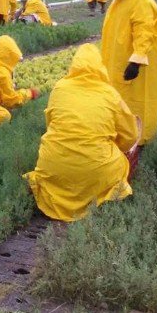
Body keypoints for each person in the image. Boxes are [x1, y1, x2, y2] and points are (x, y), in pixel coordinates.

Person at [23, 44, 139, 222]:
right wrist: (113, 146)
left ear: (74, 64)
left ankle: (58, 199)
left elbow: (51, 124)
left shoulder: (60, 88)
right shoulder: (110, 93)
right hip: (95, 170)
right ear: (100, 66)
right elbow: (130, 136)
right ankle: (100, 200)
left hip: (55, 167)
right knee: (121, 163)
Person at [97, 0, 157, 146]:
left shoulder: (141, 0)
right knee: (120, 102)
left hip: (133, 68)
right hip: (118, 62)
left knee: (136, 104)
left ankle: (139, 141)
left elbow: (145, 32)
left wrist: (136, 60)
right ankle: (123, 138)